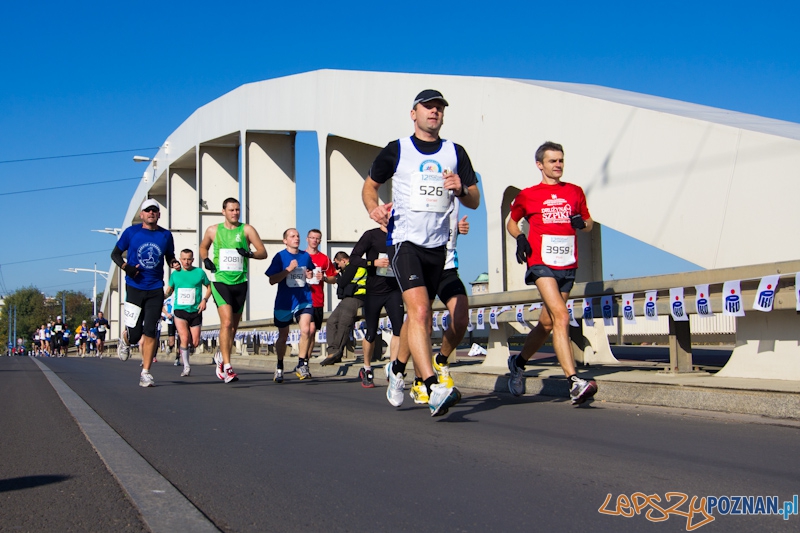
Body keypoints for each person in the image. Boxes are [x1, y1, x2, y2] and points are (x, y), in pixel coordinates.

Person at [362, 89, 480, 416]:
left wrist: (462, 188)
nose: (434, 112)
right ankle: (431, 385)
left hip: (440, 248)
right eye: (428, 107)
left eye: (439, 108)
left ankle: (397, 369)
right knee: (421, 313)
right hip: (405, 242)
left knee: (443, 317)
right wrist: (374, 209)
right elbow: (369, 187)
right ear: (413, 113)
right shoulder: (396, 150)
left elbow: (474, 199)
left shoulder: (456, 153)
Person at [506, 141, 598, 405]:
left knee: (547, 323)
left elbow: (588, 223)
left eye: (561, 161)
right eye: (552, 161)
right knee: (561, 315)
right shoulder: (528, 194)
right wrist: (520, 238)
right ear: (540, 165)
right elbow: (512, 222)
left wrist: (583, 223)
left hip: (567, 263)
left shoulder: (574, 192)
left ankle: (519, 363)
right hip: (540, 262)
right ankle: (574, 382)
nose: (558, 165)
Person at [111, 198, 179, 387]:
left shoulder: (165, 235)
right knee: (135, 334)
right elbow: (115, 254)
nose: (151, 213)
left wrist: (174, 263)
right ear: (141, 215)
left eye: (154, 211)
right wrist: (127, 267)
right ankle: (126, 338)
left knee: (151, 330)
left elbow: (169, 256)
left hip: (155, 287)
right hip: (134, 286)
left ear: (159, 214)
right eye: (147, 211)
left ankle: (146, 372)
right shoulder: (131, 232)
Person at [200, 197, 268, 384]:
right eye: (231, 210)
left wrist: (250, 254)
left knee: (233, 327)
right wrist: (205, 259)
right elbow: (203, 247)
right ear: (223, 211)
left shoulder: (247, 230)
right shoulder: (213, 230)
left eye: (237, 210)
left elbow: (263, 252)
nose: (235, 213)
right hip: (220, 280)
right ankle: (228, 367)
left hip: (240, 281)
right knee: (227, 322)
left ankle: (222, 356)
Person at [410, 204, 471, 404]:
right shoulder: (419, 194)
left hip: (447, 268)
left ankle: (441, 359)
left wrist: (458, 232)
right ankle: (419, 381)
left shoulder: (454, 198)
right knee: (423, 326)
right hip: (422, 268)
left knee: (461, 318)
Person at [350, 223, 404, 389]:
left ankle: (393, 367)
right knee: (371, 332)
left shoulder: (402, 233)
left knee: (399, 330)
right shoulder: (371, 235)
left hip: (394, 290)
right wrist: (373, 263)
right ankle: (367, 368)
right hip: (374, 291)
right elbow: (353, 258)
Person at [266, 228, 315, 383]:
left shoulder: (305, 256)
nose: (296, 238)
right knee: (283, 336)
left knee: (306, 329)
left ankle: (302, 364)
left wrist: (310, 275)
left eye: (298, 236)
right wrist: (288, 270)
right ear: (285, 240)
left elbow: (310, 273)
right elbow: (272, 280)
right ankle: (280, 365)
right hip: (284, 302)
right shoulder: (280, 257)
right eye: (292, 236)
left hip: (303, 299)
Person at [164, 249, 212, 377]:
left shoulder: (199, 273)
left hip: (196, 311)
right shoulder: (175, 274)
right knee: (184, 337)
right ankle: (186, 366)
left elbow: (209, 286)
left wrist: (204, 300)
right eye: (184, 259)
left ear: (193, 260)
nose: (186, 262)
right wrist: (162, 296)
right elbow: (170, 289)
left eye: (189, 259)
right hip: (180, 310)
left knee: (195, 342)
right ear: (180, 259)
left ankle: (186, 348)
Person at [319, 251, 367, 367]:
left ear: (344, 260)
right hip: (347, 299)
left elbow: (343, 282)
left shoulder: (354, 266)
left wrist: (336, 274)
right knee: (331, 322)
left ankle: (336, 351)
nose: (338, 266)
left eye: (338, 264)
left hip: (357, 297)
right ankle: (332, 352)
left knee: (344, 322)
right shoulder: (347, 269)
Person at [305, 229, 337, 357]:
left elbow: (333, 278)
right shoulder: (301, 256)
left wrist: (323, 277)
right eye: (312, 237)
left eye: (317, 238)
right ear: (307, 239)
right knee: (308, 329)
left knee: (312, 332)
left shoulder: (324, 259)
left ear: (320, 240)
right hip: (303, 300)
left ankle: (305, 359)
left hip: (317, 300)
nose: (314, 240)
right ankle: (303, 359)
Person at [162, 294, 176, 363]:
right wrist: (167, 314)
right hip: (171, 321)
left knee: (182, 340)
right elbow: (161, 305)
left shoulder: (181, 298)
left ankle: (177, 358)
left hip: (180, 320)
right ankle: (170, 346)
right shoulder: (170, 298)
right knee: (172, 342)